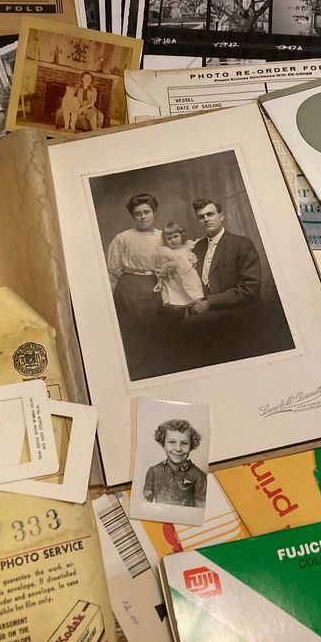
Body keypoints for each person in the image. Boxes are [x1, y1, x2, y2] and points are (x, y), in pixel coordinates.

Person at [184, 198, 262, 364]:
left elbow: (249, 288)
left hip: (240, 308)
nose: (206, 219)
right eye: (201, 216)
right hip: (213, 307)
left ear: (221, 216)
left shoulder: (241, 243)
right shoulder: (198, 248)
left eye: (210, 214)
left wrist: (209, 303)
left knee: (188, 326)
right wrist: (199, 299)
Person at [107, 193, 166, 379]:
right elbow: (114, 268)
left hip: (157, 286)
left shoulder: (164, 236)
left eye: (147, 212)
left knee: (158, 330)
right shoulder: (123, 238)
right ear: (133, 216)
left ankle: (160, 370)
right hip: (130, 288)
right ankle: (138, 374)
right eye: (138, 213)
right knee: (134, 332)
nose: (143, 217)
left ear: (154, 212)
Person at [143, 419, 207, 508]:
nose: (178, 449)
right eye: (172, 442)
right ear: (163, 444)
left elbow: (201, 509)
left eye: (184, 443)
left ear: (191, 446)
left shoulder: (198, 476)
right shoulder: (154, 471)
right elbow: (144, 503)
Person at [155, 221, 203, 310]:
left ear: (182, 235)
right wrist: (160, 281)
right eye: (169, 238)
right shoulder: (166, 252)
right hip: (177, 279)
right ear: (165, 240)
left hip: (190, 276)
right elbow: (162, 269)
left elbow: (199, 243)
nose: (173, 240)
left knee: (194, 292)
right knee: (179, 296)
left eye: (176, 236)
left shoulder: (187, 246)